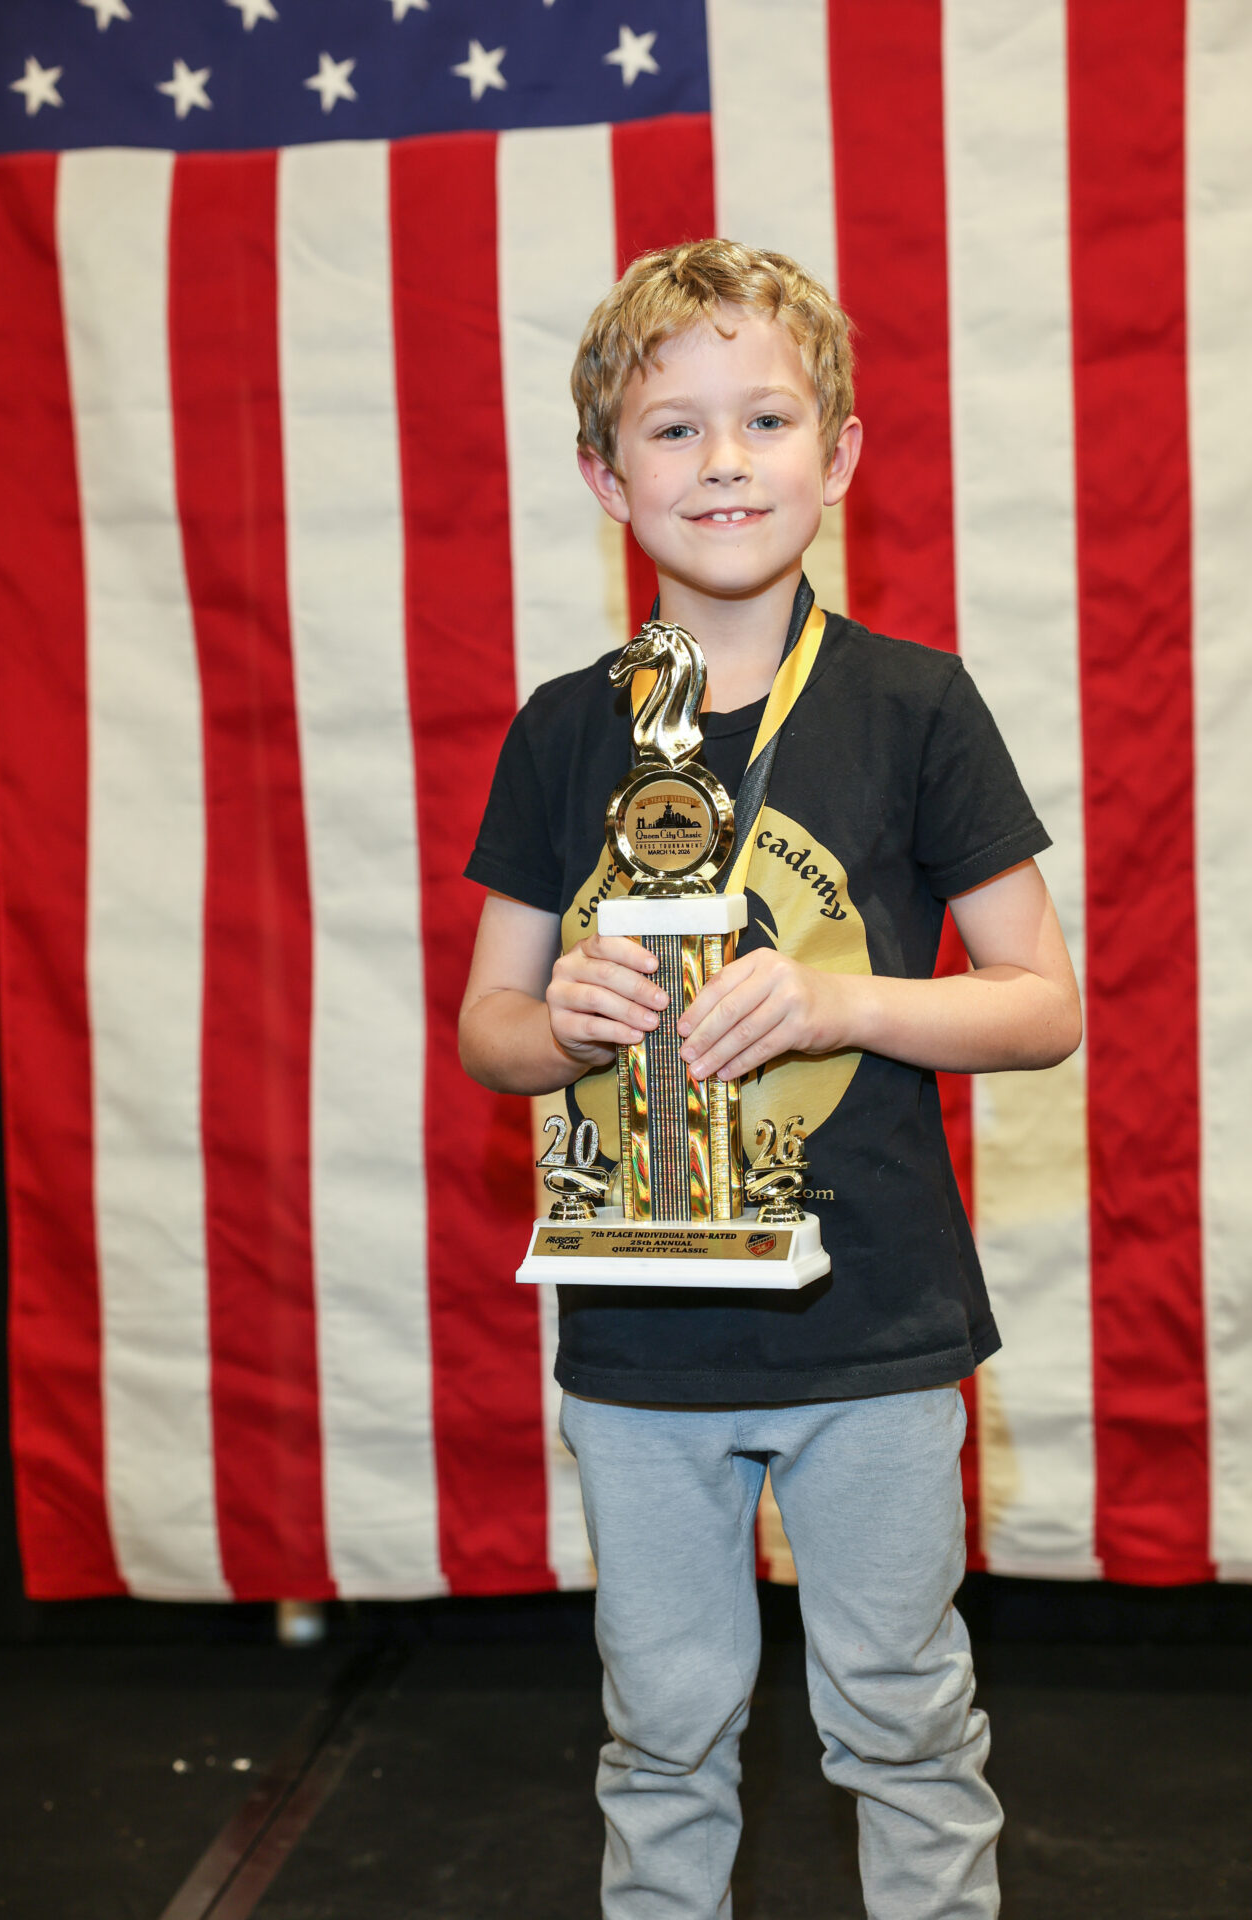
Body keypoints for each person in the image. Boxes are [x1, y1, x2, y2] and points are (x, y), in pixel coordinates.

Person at [458, 239, 1081, 1920]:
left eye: (767, 418)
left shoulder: (917, 705)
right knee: (661, 1732)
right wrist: (568, 1019)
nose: (724, 460)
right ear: (606, 476)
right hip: (639, 1337)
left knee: (904, 1718)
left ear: (841, 452)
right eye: (673, 428)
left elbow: (1042, 1007)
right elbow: (488, 1031)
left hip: (874, 1323)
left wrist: (836, 1001)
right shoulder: (564, 728)